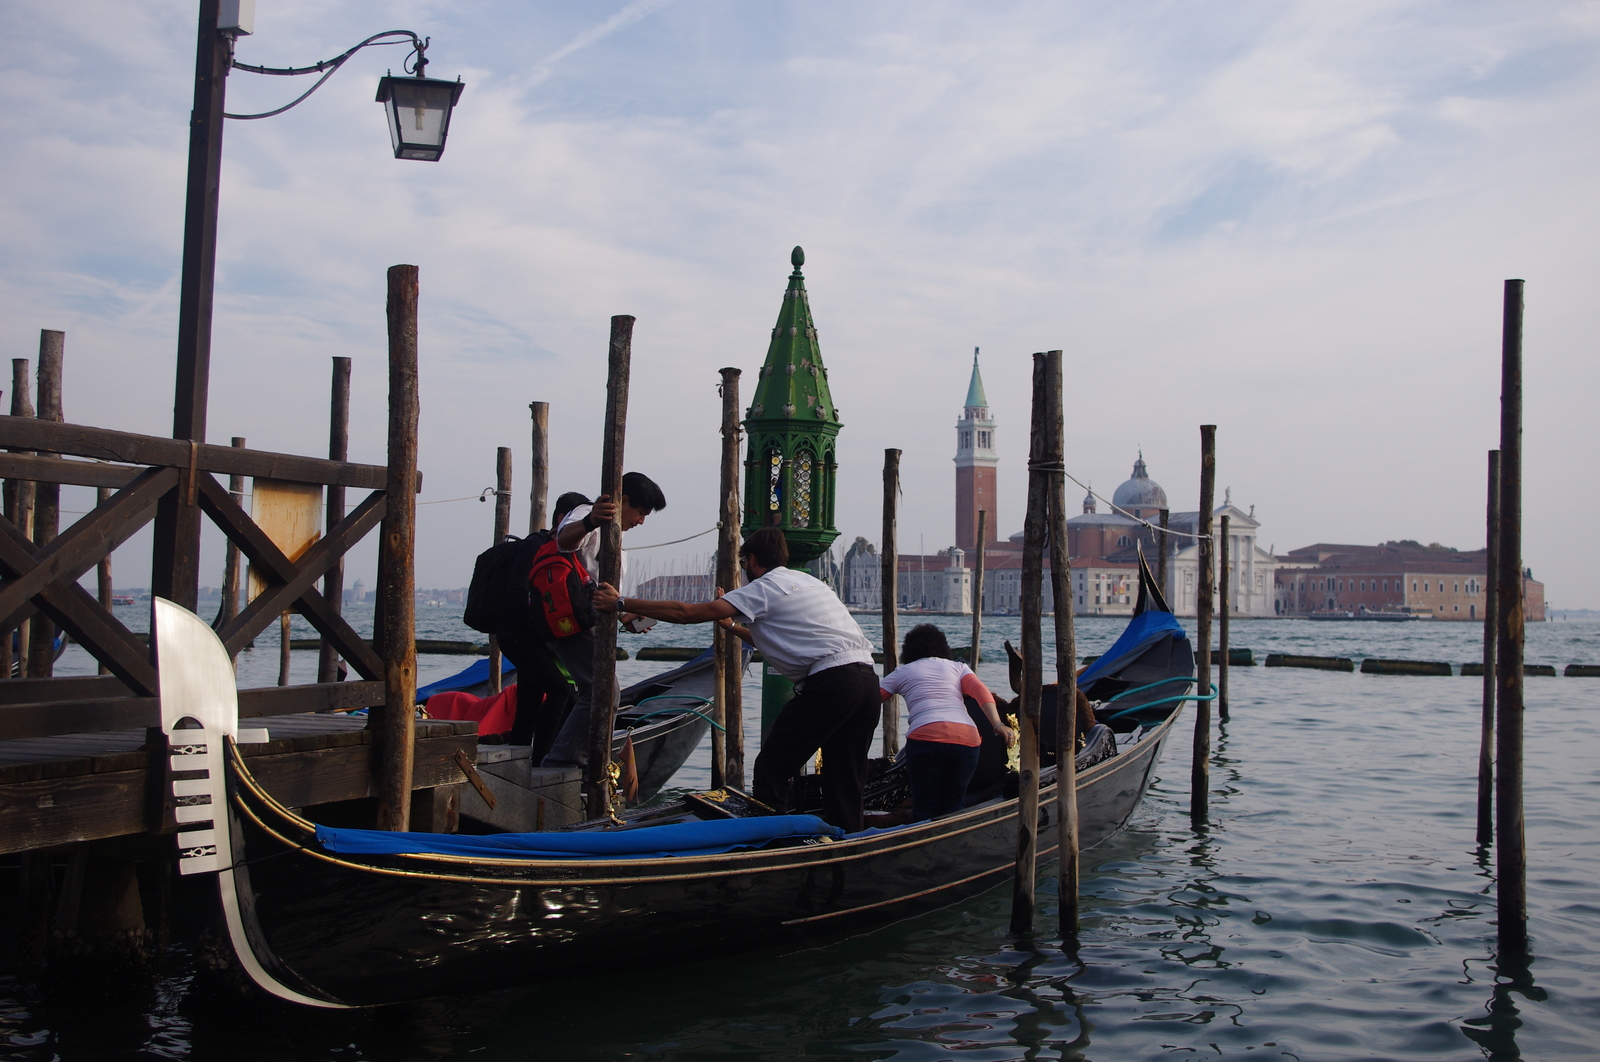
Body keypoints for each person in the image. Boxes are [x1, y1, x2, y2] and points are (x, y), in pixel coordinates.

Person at [590, 526, 880, 832]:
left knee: (771, 768)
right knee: (845, 775)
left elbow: (686, 612)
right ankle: (849, 840)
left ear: (752, 561)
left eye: (744, 566)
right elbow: (775, 638)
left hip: (831, 684)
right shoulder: (810, 583)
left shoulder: (763, 587)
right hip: (865, 681)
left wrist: (621, 603)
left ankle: (772, 843)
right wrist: (729, 626)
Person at [540, 472, 668, 768]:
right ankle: (565, 760)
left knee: (600, 690)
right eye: (641, 513)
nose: (641, 521)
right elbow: (562, 539)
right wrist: (591, 521)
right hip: (571, 620)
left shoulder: (615, 537)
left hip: (590, 622)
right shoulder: (590, 514)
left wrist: (624, 615)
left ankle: (582, 757)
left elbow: (600, 589)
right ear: (623, 501)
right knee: (603, 690)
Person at [879, 624, 1016, 821]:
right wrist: (998, 724)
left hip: (925, 739)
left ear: (907, 650)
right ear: (943, 647)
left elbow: (871, 699)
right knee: (954, 804)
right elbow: (981, 692)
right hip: (967, 740)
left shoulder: (902, 672)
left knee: (924, 807)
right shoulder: (959, 668)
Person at [495, 491, 590, 756]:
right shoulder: (535, 546)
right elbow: (517, 594)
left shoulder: (561, 551)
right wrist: (546, 636)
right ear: (562, 519)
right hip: (519, 635)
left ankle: (520, 762)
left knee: (529, 702)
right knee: (560, 691)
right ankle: (544, 762)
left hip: (532, 637)